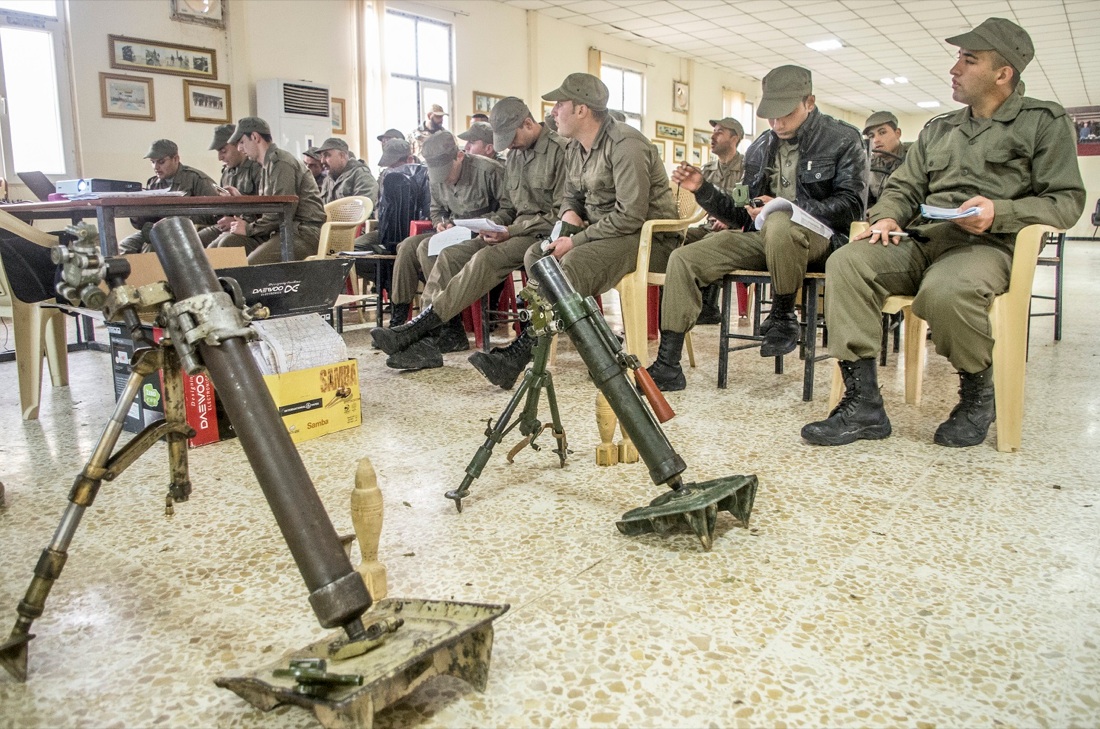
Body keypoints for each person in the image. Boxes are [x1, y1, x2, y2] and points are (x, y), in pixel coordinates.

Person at [802, 18, 1085, 449]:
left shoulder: (1043, 122)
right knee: (848, 261)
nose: (955, 69)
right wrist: (887, 218)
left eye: (969, 60)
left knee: (945, 291)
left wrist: (999, 212)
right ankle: (863, 405)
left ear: (1002, 73)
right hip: (925, 240)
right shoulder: (940, 128)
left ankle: (977, 396)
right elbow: (903, 187)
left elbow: (1066, 201)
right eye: (957, 58)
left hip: (987, 246)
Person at [645, 65, 867, 392]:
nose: (777, 123)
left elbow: (851, 207)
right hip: (766, 240)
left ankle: (782, 315)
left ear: (809, 102)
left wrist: (786, 207)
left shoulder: (843, 139)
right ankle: (667, 364)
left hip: (821, 243)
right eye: (770, 116)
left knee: (779, 220)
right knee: (684, 258)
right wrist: (702, 189)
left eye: (785, 114)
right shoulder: (762, 146)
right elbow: (740, 216)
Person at [470, 72, 679, 390]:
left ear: (581, 109)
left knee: (575, 263)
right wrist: (567, 220)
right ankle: (605, 351)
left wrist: (576, 239)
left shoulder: (626, 144)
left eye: (560, 104)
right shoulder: (577, 148)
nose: (553, 111)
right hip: (611, 234)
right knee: (537, 255)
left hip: (651, 240)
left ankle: (519, 354)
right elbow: (572, 198)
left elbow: (631, 216)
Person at [371, 96, 568, 371]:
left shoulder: (561, 152)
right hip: (511, 231)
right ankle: (427, 336)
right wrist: (491, 227)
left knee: (485, 260)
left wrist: (509, 230)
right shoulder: (515, 156)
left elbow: (561, 214)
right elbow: (509, 207)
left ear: (527, 123)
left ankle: (417, 332)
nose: (508, 145)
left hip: (540, 233)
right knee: (450, 255)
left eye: (511, 137)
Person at [386, 131, 504, 328]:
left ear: (459, 156)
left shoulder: (489, 171)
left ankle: (446, 324)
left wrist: (489, 223)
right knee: (407, 247)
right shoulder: (434, 177)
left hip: (484, 234)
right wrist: (441, 222)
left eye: (447, 171)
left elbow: (509, 208)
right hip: (453, 231)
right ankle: (399, 314)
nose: (445, 179)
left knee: (427, 248)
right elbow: (437, 210)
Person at [209, 116, 327, 264]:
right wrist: (241, 202)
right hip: (282, 230)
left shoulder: (281, 163)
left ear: (255, 137)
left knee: (251, 265)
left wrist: (249, 229)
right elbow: (269, 210)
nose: (239, 148)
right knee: (224, 246)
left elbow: (283, 210)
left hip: (303, 232)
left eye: (241, 142)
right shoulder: (267, 165)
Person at [685, 116, 747, 324]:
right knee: (677, 238)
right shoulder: (707, 170)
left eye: (719, 132)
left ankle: (709, 307)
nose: (713, 136)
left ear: (734, 138)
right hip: (709, 225)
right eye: (713, 132)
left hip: (737, 229)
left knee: (710, 243)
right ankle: (680, 302)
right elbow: (701, 205)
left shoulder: (747, 168)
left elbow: (744, 204)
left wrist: (728, 221)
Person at [118, 139, 219, 254]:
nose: (156, 167)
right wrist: (138, 217)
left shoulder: (196, 179)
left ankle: (153, 272)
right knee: (125, 246)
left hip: (187, 230)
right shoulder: (153, 183)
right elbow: (149, 217)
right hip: (159, 230)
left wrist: (175, 220)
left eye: (161, 162)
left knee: (152, 247)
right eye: (152, 162)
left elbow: (214, 214)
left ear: (176, 159)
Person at [198, 123, 262, 246]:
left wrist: (237, 218)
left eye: (223, 151)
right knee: (194, 240)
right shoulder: (227, 173)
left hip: (253, 228)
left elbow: (267, 213)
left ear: (238, 144)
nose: (220, 157)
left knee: (219, 246)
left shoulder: (257, 169)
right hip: (232, 224)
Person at [863, 110, 909, 207]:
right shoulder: (869, 164)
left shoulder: (913, 157)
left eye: (882, 132)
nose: (876, 140)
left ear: (898, 133)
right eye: (871, 136)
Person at [315, 137, 378, 205]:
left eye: (327, 155)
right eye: (321, 156)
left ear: (342, 156)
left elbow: (361, 210)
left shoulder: (362, 176)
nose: (322, 161)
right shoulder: (328, 180)